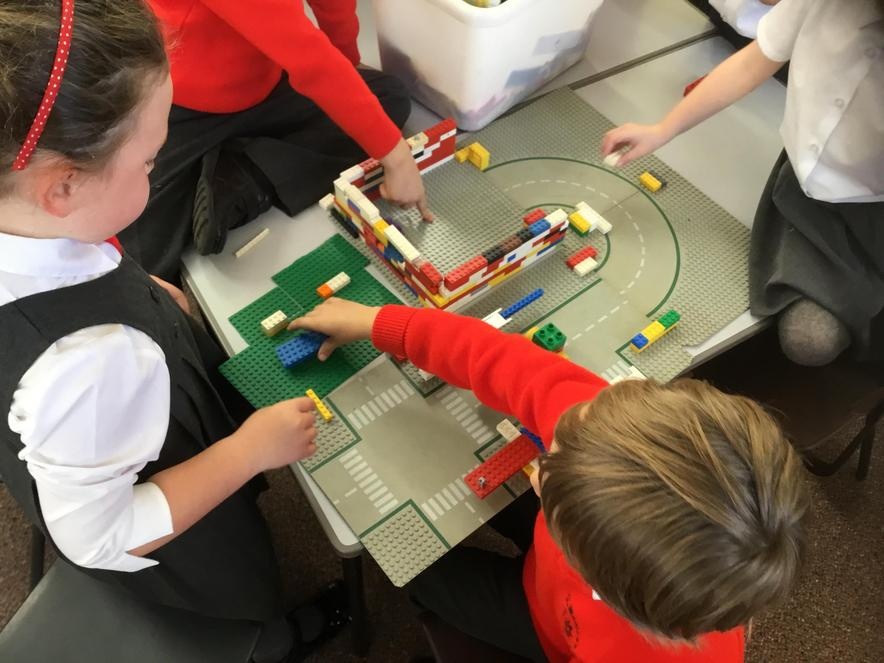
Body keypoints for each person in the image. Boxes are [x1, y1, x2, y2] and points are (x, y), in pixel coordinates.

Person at [0, 2, 342, 660]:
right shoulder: (89, 363)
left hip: (95, 418)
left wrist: (138, 288)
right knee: (235, 584)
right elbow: (98, 536)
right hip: (159, 522)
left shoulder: (33, 220)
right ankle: (271, 641)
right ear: (62, 187)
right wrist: (249, 451)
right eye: (151, 162)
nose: (158, 170)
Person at [289, 297, 810, 662]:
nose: (537, 469)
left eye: (548, 474)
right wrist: (382, 323)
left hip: (548, 629)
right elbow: (504, 361)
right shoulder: (605, 430)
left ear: (587, 567)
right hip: (565, 571)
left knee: (415, 567)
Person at [603, 0, 884, 367]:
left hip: (872, 213)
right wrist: (662, 129)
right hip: (805, 194)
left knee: (833, 337)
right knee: (809, 339)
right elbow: (754, 62)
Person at [119, 0, 431, 281]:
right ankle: (238, 165)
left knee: (385, 98)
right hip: (181, 104)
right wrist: (397, 158)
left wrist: (347, 62)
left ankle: (246, 177)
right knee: (141, 258)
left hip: (267, 85)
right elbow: (309, 59)